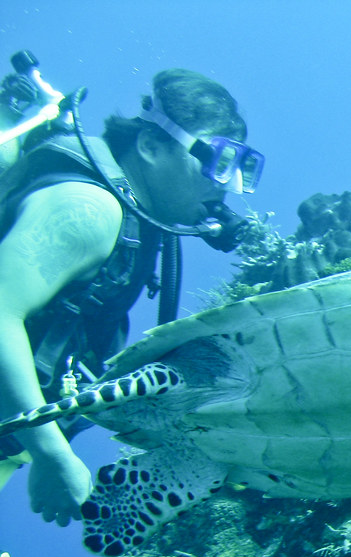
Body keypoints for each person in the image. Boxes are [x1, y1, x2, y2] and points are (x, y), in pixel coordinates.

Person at [0, 67, 262, 530]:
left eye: (238, 168)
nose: (224, 184)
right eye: (216, 159)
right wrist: (50, 454)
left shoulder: (140, 228)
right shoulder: (91, 210)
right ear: (150, 146)